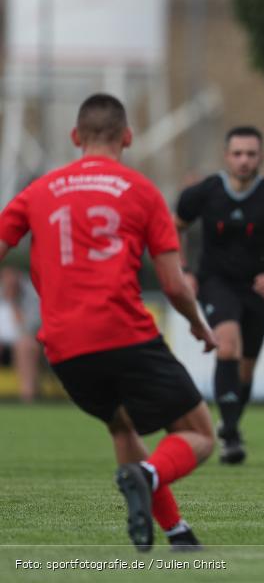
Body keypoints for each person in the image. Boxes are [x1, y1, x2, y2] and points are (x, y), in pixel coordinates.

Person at [0, 93, 218, 550]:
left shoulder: (39, 191)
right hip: (123, 334)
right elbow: (174, 285)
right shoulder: (142, 191)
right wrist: (198, 324)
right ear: (128, 137)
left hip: (63, 347)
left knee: (121, 425)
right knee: (199, 433)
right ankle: (149, 474)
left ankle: (177, 533)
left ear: (75, 137)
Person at [175, 126, 264, 464]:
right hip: (215, 283)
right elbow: (172, 228)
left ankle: (230, 424)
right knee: (227, 345)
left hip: (258, 289)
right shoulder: (206, 191)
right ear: (226, 156)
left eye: (250, 154)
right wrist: (184, 270)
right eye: (237, 154)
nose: (244, 160)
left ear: (260, 157)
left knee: (246, 370)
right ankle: (231, 438)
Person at [0, 267, 41, 402]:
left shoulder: (31, 295)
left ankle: (27, 397)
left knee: (25, 345)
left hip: (22, 342)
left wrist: (14, 302)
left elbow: (30, 329)